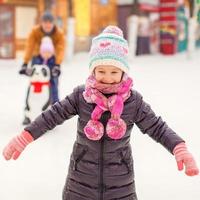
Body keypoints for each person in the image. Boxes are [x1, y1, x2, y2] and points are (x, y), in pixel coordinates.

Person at [3, 26, 199, 200]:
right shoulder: (82, 96)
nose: (107, 78)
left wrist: (178, 147)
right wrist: (25, 137)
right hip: (80, 183)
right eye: (101, 71)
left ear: (124, 72)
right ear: (92, 71)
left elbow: (157, 127)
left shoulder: (133, 101)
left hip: (120, 186)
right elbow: (51, 116)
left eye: (114, 72)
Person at [19, 10, 65, 100]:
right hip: (37, 57)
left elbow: (61, 49)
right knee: (35, 79)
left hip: (52, 58)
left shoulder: (59, 33)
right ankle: (32, 102)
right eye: (45, 23)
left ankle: (55, 104)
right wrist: (25, 63)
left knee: (53, 81)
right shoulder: (35, 31)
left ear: (53, 23)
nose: (47, 25)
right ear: (41, 23)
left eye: (50, 23)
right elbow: (29, 46)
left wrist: (58, 64)